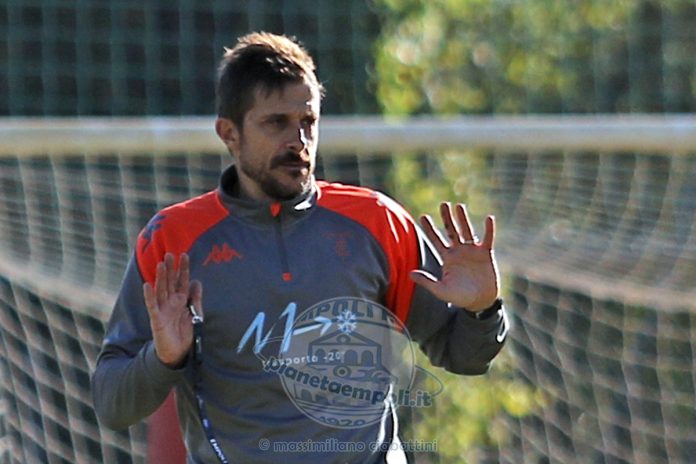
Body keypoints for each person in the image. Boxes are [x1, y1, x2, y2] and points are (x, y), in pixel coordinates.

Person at [91, 32, 508, 463]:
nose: (298, 141)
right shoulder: (173, 241)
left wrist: (482, 310)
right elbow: (112, 405)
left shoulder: (377, 223)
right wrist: (163, 359)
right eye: (276, 123)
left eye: (307, 121)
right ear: (229, 133)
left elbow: (463, 356)